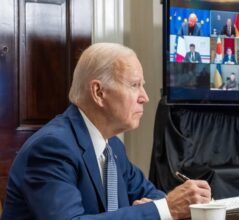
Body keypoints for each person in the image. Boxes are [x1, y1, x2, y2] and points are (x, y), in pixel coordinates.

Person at [1, 43, 211, 220]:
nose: (145, 97)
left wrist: (169, 204)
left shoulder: (113, 147)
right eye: (135, 85)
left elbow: (150, 195)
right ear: (98, 92)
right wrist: (164, 208)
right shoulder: (51, 148)